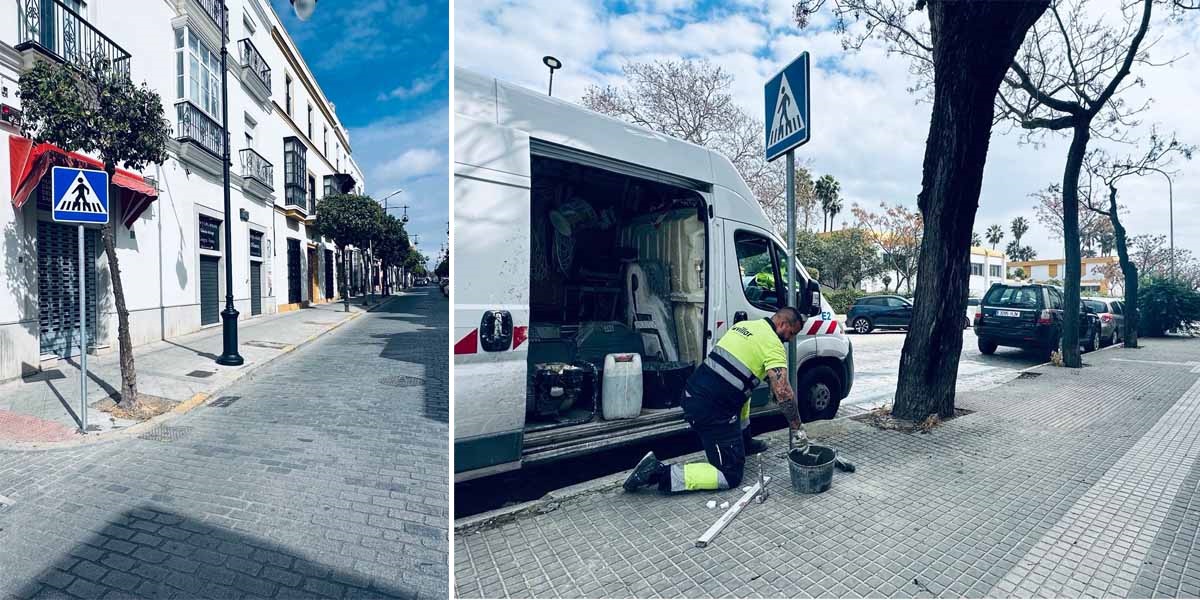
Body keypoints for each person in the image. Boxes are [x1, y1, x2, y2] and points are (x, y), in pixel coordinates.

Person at [623, 307, 809, 494]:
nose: (790, 339)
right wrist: (796, 427)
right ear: (783, 324)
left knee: (743, 395)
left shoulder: (744, 326)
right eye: (791, 333)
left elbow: (739, 384)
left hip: (693, 394)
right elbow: (783, 393)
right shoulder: (773, 345)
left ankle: (745, 442)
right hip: (713, 411)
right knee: (730, 475)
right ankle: (658, 473)